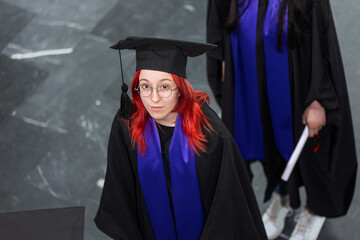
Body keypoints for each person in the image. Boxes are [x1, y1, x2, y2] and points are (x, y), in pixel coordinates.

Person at [206, 0, 357, 239]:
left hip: (297, 85)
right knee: (268, 142)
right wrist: (225, 69)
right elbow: (219, 23)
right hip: (251, 81)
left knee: (309, 150)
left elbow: (322, 41)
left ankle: (314, 209)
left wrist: (319, 99)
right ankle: (281, 195)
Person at [94, 36, 267, 240]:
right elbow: (120, 187)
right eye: (145, 86)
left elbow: (228, 207)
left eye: (164, 87)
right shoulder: (127, 124)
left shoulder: (212, 136)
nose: (154, 98)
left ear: (181, 90)